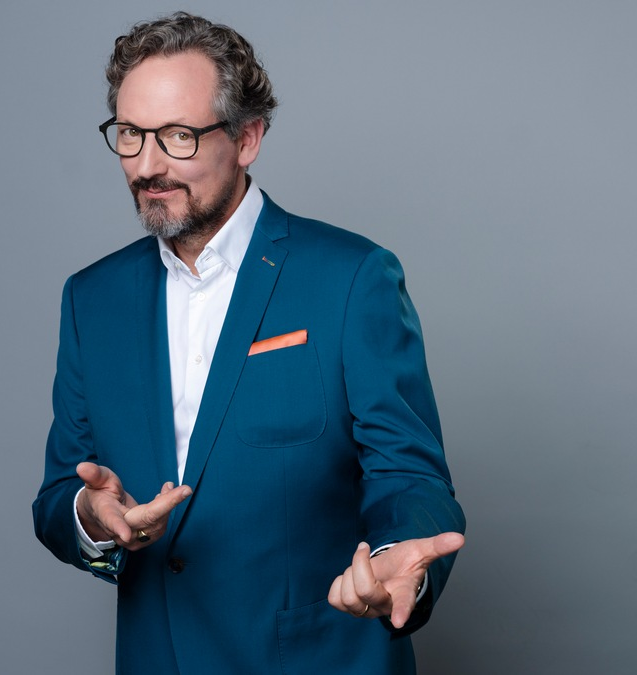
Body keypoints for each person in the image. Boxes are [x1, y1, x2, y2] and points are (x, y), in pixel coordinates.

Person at [32, 12, 466, 674]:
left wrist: (396, 559)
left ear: (247, 137)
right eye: (130, 135)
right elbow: (60, 494)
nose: (147, 165)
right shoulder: (92, 299)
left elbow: (407, 473)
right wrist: (90, 517)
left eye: (178, 136)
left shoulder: (351, 278)